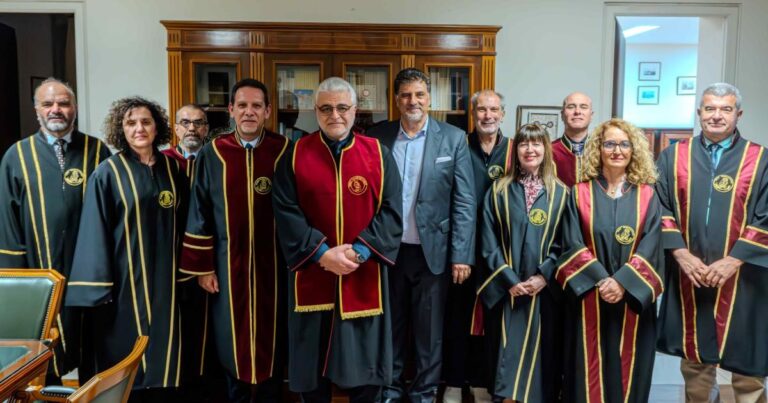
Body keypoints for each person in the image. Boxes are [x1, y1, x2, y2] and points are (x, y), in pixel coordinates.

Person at [273, 77, 403, 402]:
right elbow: (286, 212)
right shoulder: (295, 154)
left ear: (355, 110)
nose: (335, 115)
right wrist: (322, 254)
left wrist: (359, 252)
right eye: (326, 108)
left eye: (342, 107)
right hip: (312, 274)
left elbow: (391, 212)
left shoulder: (378, 154)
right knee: (312, 370)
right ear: (315, 111)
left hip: (363, 275)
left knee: (365, 372)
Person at [65, 97, 187, 401]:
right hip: (123, 283)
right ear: (121, 129)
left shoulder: (173, 169)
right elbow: (94, 230)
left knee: (165, 356)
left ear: (157, 127)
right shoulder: (107, 172)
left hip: (167, 281)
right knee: (125, 361)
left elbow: (187, 222)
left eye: (146, 121)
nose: (139, 128)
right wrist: (98, 288)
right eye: (131, 123)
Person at [367, 68, 476, 403]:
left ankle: (424, 392)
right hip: (389, 250)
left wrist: (461, 255)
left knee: (430, 332)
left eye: (419, 94)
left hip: (433, 251)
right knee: (391, 326)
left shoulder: (453, 138)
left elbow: (464, 200)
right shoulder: (377, 136)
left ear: (429, 98)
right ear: (396, 99)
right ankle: (390, 388)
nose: (412, 101)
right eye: (405, 95)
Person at [656, 83, 768, 402]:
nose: (717, 115)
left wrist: (733, 260)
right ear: (699, 113)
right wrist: (681, 254)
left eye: (725, 109)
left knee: (747, 362)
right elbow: (658, 207)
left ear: (738, 114)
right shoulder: (673, 156)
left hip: (744, 275)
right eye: (710, 108)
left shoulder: (760, 159)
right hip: (691, 273)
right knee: (695, 361)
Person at [179, 79, 289, 403]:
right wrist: (202, 267)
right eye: (242, 105)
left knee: (273, 335)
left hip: (275, 266)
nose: (249, 112)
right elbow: (199, 210)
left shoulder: (285, 151)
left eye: (256, 106)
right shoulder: (213, 153)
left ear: (267, 111)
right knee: (229, 336)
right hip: (228, 265)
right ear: (231, 110)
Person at [0, 77, 111, 383]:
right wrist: (18, 279)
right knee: (43, 351)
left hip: (89, 270)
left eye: (63, 103)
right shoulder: (17, 156)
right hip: (40, 269)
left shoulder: (96, 151)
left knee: (93, 345)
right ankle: (46, 395)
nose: (56, 109)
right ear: (36, 109)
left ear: (75, 107)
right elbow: (7, 222)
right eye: (47, 103)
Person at [555, 118, 662, 403]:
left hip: (632, 298)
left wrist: (623, 282)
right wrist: (603, 281)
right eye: (610, 144)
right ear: (598, 149)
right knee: (586, 369)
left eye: (624, 144)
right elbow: (570, 243)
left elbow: (652, 246)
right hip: (590, 296)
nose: (617, 150)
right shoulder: (579, 193)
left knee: (630, 368)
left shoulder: (648, 195)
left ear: (634, 150)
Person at [477, 123, 569, 403]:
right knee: (507, 354)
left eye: (536, 143)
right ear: (515, 150)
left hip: (544, 292)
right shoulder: (498, 191)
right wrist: (508, 279)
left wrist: (544, 276)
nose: (530, 149)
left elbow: (567, 243)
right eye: (524, 144)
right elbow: (488, 240)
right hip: (508, 290)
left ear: (546, 149)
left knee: (543, 359)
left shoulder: (562, 193)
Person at [443, 89, 512, 403]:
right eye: (482, 110)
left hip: (500, 252)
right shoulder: (459, 145)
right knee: (457, 317)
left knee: (492, 319)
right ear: (473, 114)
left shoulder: (514, 150)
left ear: (502, 114)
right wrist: (460, 251)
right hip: (463, 249)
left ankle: (483, 382)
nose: (488, 116)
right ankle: (455, 382)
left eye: (494, 110)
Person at [552, 92, 594, 187]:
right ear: (562, 115)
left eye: (583, 107)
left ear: (591, 115)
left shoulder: (602, 150)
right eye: (571, 107)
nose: (577, 111)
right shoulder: (548, 150)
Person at [162, 104, 208, 178]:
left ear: (206, 129)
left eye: (198, 123)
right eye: (185, 123)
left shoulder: (216, 158)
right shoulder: (163, 159)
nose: (192, 128)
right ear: (176, 129)